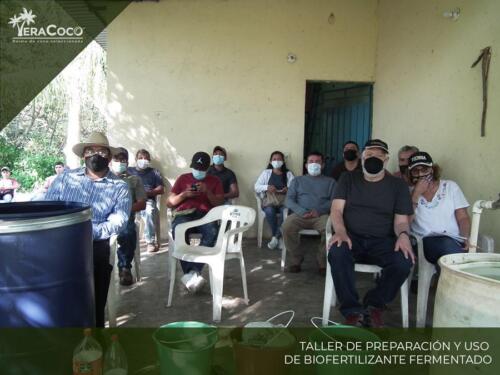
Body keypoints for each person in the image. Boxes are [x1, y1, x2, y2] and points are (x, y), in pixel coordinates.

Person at [45, 132, 131, 327]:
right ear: (83, 155)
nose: (96, 155)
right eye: (90, 150)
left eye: (101, 151)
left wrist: (85, 233)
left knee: (95, 277)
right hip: (58, 240)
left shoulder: (119, 187)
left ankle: (93, 330)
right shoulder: (66, 178)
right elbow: (48, 206)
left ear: (109, 157)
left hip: (93, 243)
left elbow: (119, 221)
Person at [328, 139, 415, 328]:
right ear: (362, 157)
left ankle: (374, 303)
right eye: (369, 155)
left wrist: (403, 236)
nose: (372, 159)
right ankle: (352, 310)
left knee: (404, 261)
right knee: (336, 252)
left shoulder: (397, 186)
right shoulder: (347, 179)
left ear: (386, 159)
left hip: (384, 241)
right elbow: (336, 211)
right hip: (351, 238)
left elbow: (401, 221)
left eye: (378, 155)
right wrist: (340, 232)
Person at [166, 151, 224, 292]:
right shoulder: (182, 178)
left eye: (202, 169)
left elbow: (220, 203)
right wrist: (184, 194)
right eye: (196, 168)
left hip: (206, 215)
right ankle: (193, 273)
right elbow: (169, 202)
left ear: (207, 168)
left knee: (212, 233)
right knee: (179, 231)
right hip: (184, 213)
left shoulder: (214, 181)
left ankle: (191, 273)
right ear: (192, 166)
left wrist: (207, 192)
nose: (198, 171)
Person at [409, 151, 470, 263]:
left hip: (453, 240)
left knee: (450, 248)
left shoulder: (450, 187)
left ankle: (443, 277)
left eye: (424, 169)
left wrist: (464, 236)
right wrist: (416, 194)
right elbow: (406, 221)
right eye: (415, 171)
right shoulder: (408, 193)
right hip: (424, 242)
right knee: (448, 250)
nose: (420, 174)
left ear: (432, 169)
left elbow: (463, 218)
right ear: (410, 174)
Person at [282, 151, 335, 274]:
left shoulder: (331, 182)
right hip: (300, 215)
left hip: (321, 216)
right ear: (306, 165)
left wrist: (319, 211)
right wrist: (301, 211)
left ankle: (322, 262)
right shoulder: (297, 181)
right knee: (287, 226)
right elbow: (288, 199)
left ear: (323, 165)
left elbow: (335, 201)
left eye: (317, 162)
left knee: (330, 229)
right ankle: (296, 259)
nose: (314, 164)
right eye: (311, 162)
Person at [110, 147, 147, 286]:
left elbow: (142, 204)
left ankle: (125, 268)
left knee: (127, 232)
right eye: (116, 159)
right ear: (110, 161)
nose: (120, 162)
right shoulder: (104, 178)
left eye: (123, 160)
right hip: (104, 218)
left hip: (125, 217)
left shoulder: (134, 179)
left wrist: (123, 210)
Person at [254, 151, 295, 249]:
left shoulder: (288, 174)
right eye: (274, 159)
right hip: (270, 202)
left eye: (279, 159)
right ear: (270, 161)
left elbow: (295, 189)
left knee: (285, 211)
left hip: (283, 202)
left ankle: (275, 238)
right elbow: (256, 187)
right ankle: (277, 237)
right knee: (269, 210)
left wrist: (288, 190)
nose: (277, 161)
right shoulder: (266, 173)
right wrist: (267, 187)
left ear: (283, 161)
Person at [128, 149, 165, 252]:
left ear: (149, 160)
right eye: (140, 158)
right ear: (136, 159)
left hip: (147, 200)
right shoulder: (129, 171)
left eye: (146, 158)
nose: (143, 160)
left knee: (149, 211)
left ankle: (150, 242)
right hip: (131, 200)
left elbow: (161, 189)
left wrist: (145, 193)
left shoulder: (154, 172)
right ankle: (126, 241)